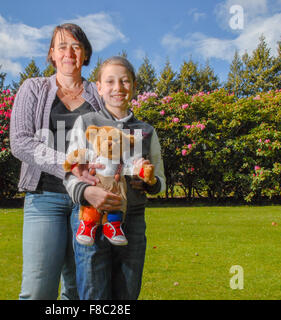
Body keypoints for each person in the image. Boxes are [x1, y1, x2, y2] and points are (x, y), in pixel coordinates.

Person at [9, 23, 122, 300]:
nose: (69, 52)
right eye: (62, 46)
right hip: (44, 197)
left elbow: (116, 141)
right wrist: (70, 164)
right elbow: (21, 141)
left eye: (76, 46)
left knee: (77, 290)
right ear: (52, 54)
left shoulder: (99, 95)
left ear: (85, 54)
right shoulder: (33, 88)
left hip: (88, 200)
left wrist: (117, 172)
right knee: (37, 291)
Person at [64, 56, 166, 300]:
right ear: (98, 87)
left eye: (124, 81)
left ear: (134, 86)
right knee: (93, 295)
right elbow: (70, 172)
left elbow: (160, 177)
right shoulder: (86, 122)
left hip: (131, 222)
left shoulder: (146, 131)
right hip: (91, 220)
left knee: (127, 293)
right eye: (109, 81)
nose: (117, 88)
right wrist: (86, 192)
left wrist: (151, 182)